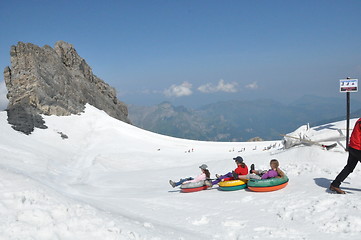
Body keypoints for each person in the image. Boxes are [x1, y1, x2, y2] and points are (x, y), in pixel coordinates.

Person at [330, 118, 361, 194]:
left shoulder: (359, 120)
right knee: (349, 167)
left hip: (353, 147)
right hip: (358, 148)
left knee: (349, 167)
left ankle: (335, 184)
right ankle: (334, 185)